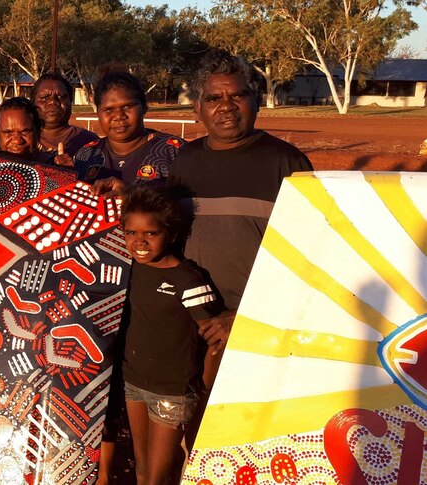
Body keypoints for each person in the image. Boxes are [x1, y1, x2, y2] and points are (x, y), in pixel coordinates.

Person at [93, 51, 314, 452]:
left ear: (256, 101)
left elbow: (308, 259)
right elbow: (167, 236)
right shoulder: (187, 161)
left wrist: (245, 317)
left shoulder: (288, 162)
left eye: (238, 96)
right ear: (198, 108)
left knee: (242, 440)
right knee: (190, 439)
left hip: (251, 326)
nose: (226, 107)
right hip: (190, 327)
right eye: (214, 99)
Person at [109, 186, 221, 485]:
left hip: (172, 391)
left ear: (170, 234)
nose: (139, 241)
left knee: (158, 476)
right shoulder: (129, 269)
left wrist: (204, 389)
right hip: (134, 382)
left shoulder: (188, 280)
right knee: (142, 470)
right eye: (131, 232)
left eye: (151, 234)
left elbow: (216, 339)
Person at [73, 71, 182, 184]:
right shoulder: (86, 154)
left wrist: (131, 194)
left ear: (144, 107)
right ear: (98, 113)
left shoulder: (174, 151)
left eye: (127, 106)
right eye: (109, 109)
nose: (119, 116)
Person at [31, 72, 99, 164]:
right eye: (44, 97)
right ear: (33, 103)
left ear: (71, 102)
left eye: (61, 97)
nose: (53, 102)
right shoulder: (22, 140)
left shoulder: (89, 141)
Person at [0, 97, 50, 164]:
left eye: (25, 132)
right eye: (8, 132)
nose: (17, 141)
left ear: (37, 131)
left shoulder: (52, 165)